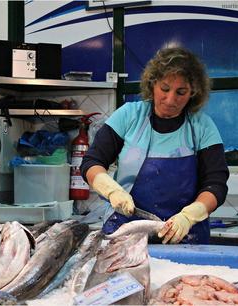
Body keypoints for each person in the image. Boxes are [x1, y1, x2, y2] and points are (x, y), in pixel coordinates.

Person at [81, 46, 229, 244]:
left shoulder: (202, 126)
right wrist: (112, 190)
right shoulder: (129, 115)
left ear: (193, 92)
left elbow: (216, 184)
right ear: (152, 84)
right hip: (125, 231)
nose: (170, 100)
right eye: (165, 89)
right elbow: (91, 162)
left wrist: (189, 216)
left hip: (184, 235)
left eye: (181, 92)